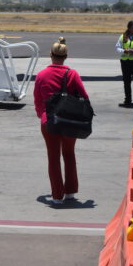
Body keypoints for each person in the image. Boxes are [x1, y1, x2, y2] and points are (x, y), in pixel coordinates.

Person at [33, 37, 89, 205]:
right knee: (69, 154)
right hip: (69, 121)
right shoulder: (72, 74)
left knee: (53, 157)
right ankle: (70, 191)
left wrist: (42, 115)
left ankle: (57, 195)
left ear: (51, 55)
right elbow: (84, 97)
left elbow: (37, 100)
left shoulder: (42, 75)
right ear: (66, 56)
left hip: (49, 121)